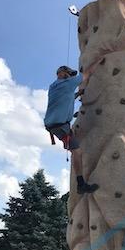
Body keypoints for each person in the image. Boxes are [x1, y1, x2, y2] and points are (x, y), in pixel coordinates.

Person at [44, 63, 100, 194]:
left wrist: (77, 94)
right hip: (60, 126)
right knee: (77, 151)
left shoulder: (53, 87)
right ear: (62, 73)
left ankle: (80, 180)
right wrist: (97, 62)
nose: (69, 76)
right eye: (68, 74)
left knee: (75, 149)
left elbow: (65, 98)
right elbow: (86, 74)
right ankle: (81, 184)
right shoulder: (68, 83)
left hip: (55, 126)